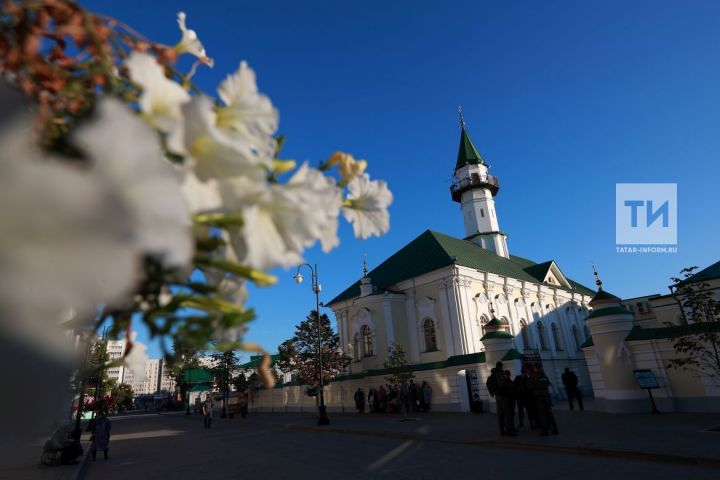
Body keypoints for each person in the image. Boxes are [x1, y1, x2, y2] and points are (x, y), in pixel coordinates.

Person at [486, 362, 516, 436]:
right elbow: (502, 384)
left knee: (500, 414)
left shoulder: (492, 374)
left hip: (497, 396)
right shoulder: (500, 373)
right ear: (500, 366)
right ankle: (509, 431)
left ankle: (502, 430)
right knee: (507, 414)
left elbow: (488, 383)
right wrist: (507, 389)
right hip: (503, 396)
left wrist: (492, 392)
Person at [530, 366, 558, 436]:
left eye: (534, 368)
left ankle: (545, 430)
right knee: (549, 413)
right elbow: (548, 383)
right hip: (547, 397)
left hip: (540, 398)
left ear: (536, 369)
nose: (534, 369)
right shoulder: (544, 375)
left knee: (542, 415)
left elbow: (530, 387)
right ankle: (555, 429)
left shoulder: (534, 376)